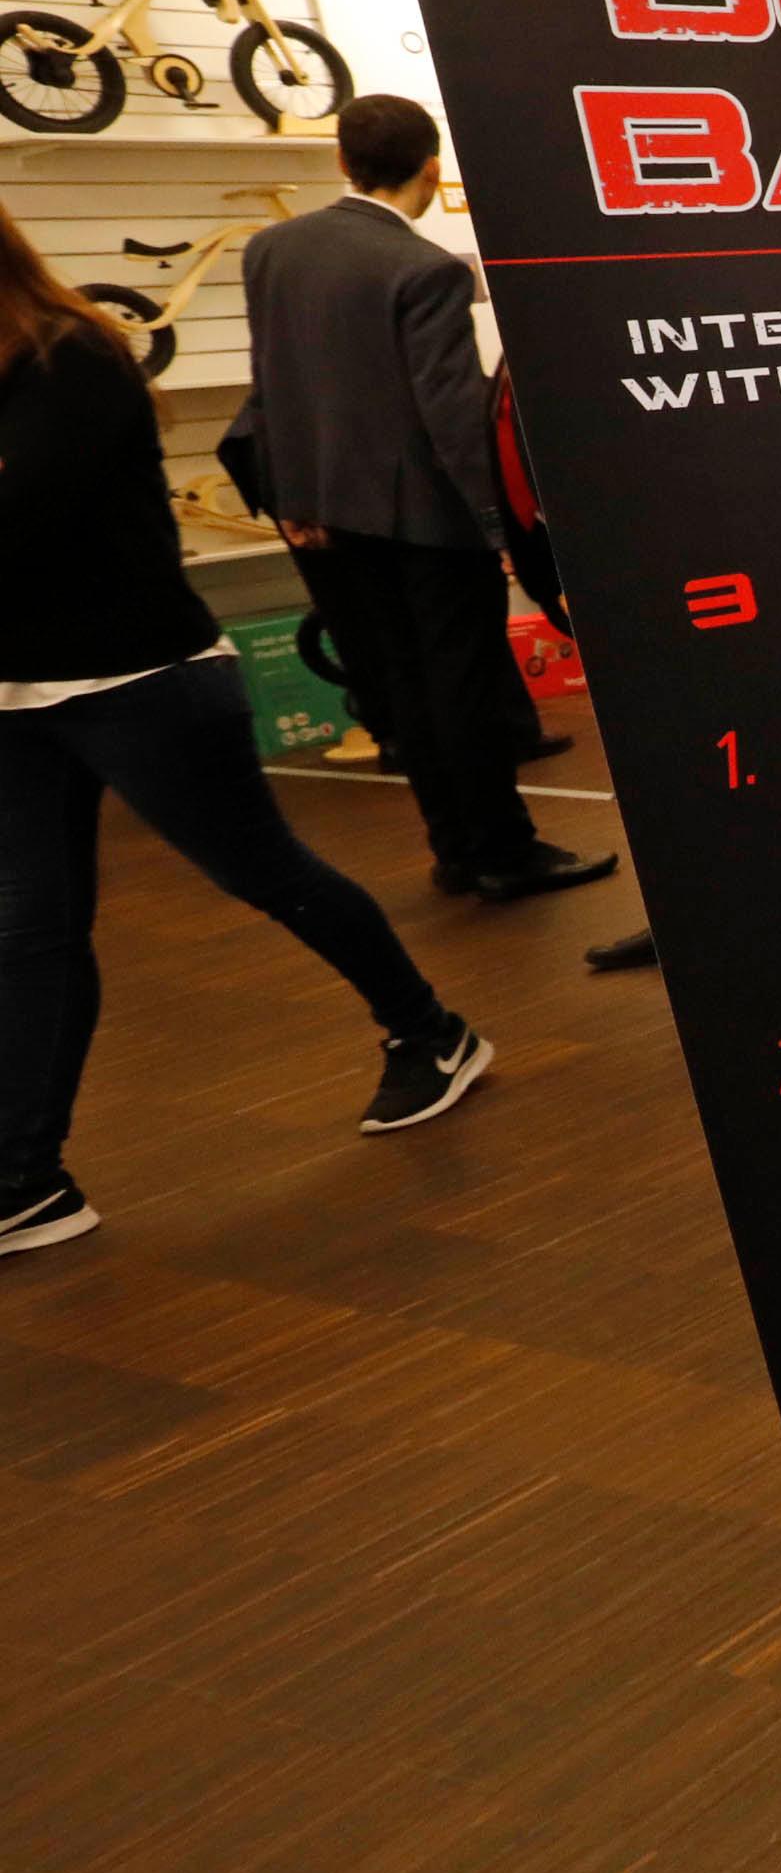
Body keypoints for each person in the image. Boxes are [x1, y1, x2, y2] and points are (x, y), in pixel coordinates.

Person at [0, 206, 487, 1255]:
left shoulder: (70, 355)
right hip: (14, 698)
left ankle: (431, 1032)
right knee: (28, 930)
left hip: (140, 677)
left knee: (268, 873)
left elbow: (21, 518)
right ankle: (26, 1177)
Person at [236, 93, 610, 901]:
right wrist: (499, 525)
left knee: (397, 693)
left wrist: (287, 495)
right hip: (426, 524)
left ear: (341, 161)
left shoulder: (271, 250)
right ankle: (502, 853)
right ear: (433, 170)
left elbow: (272, 385)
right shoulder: (426, 269)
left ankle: (454, 850)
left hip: (322, 521)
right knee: (462, 692)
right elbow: (449, 412)